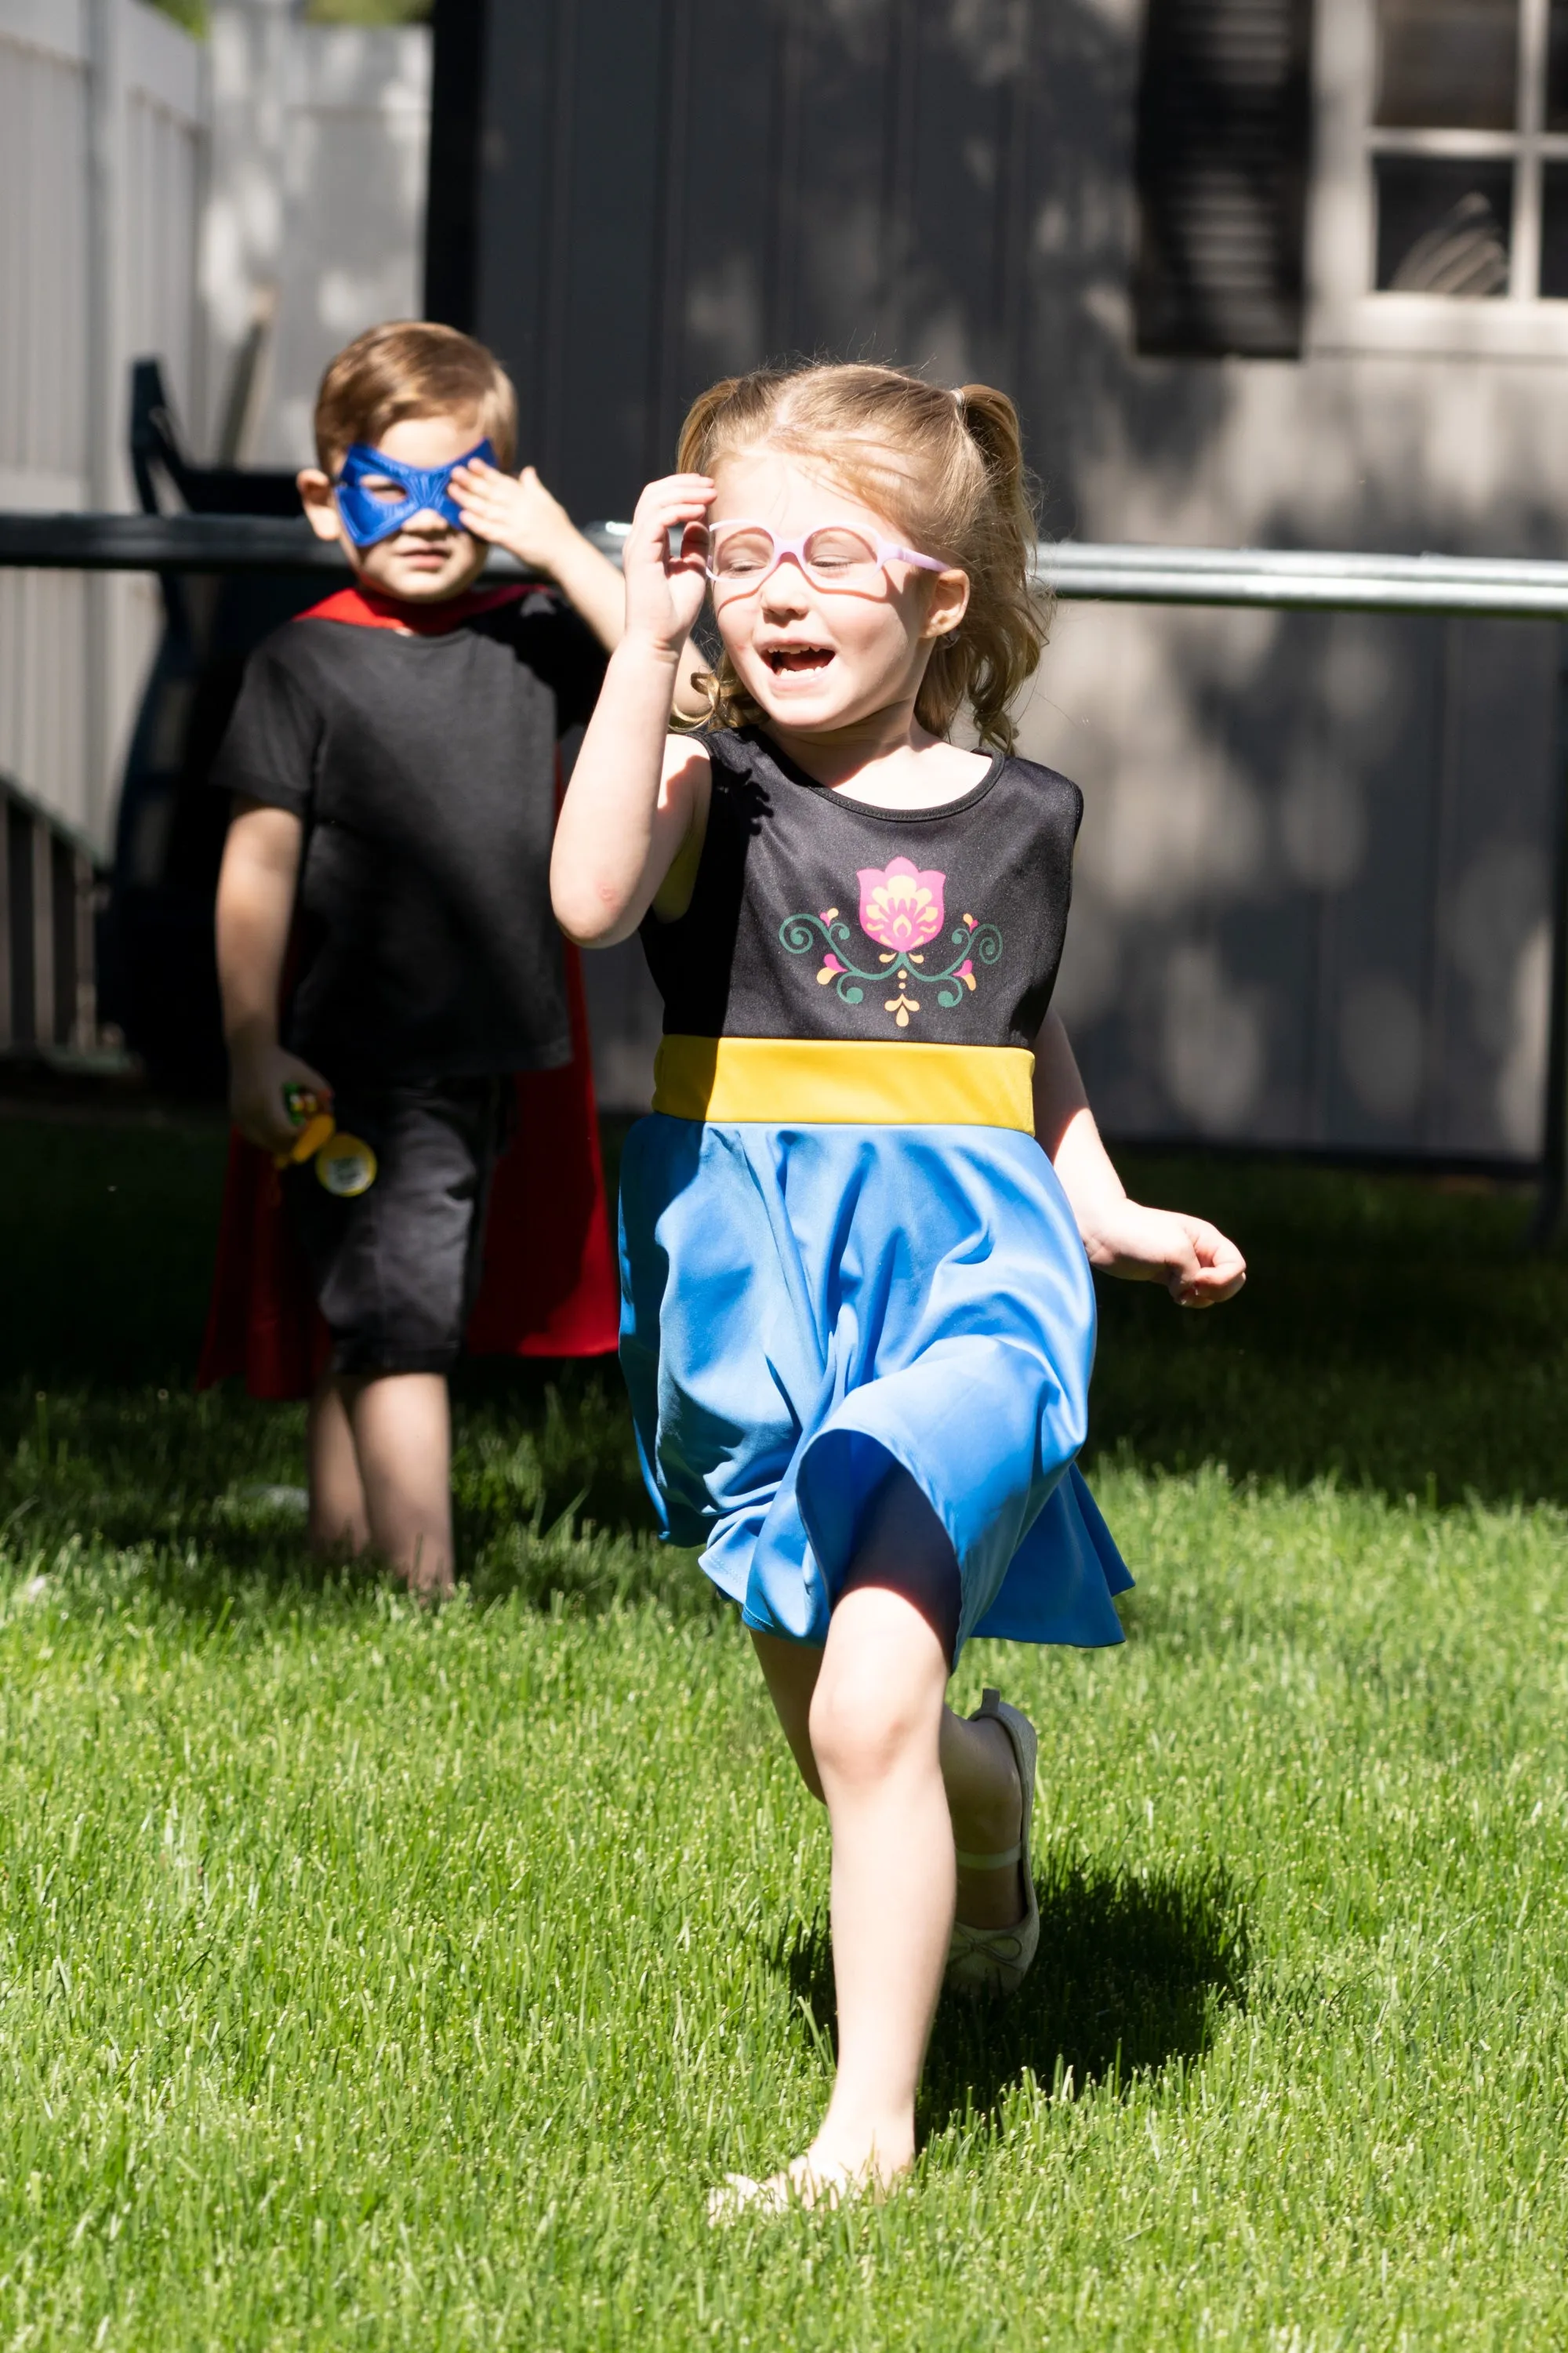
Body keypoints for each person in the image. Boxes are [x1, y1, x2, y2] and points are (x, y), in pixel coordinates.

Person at [550, 362, 1247, 2212]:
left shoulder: (1022, 815)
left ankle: (868, 2140)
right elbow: (586, 896)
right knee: (838, 1721)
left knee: (866, 1710)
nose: (774, 594)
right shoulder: (711, 784)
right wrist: (642, 645)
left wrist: (1096, 1208)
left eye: (826, 559)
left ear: (938, 594)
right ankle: (989, 1795)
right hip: (747, 1299)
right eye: (743, 553)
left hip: (971, 1287)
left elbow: (1021, 1037)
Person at [209, 320, 685, 1600]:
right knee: (400, 1317)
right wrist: (252, 1040)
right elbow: (255, 862)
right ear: (324, 500)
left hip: (485, 1054)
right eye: (390, 489)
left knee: (368, 1305)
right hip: (362, 1055)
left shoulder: (531, 634)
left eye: (460, 488)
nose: (427, 520)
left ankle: (345, 1554)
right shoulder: (303, 660)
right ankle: (421, 1591)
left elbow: (672, 682)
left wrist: (558, 547)